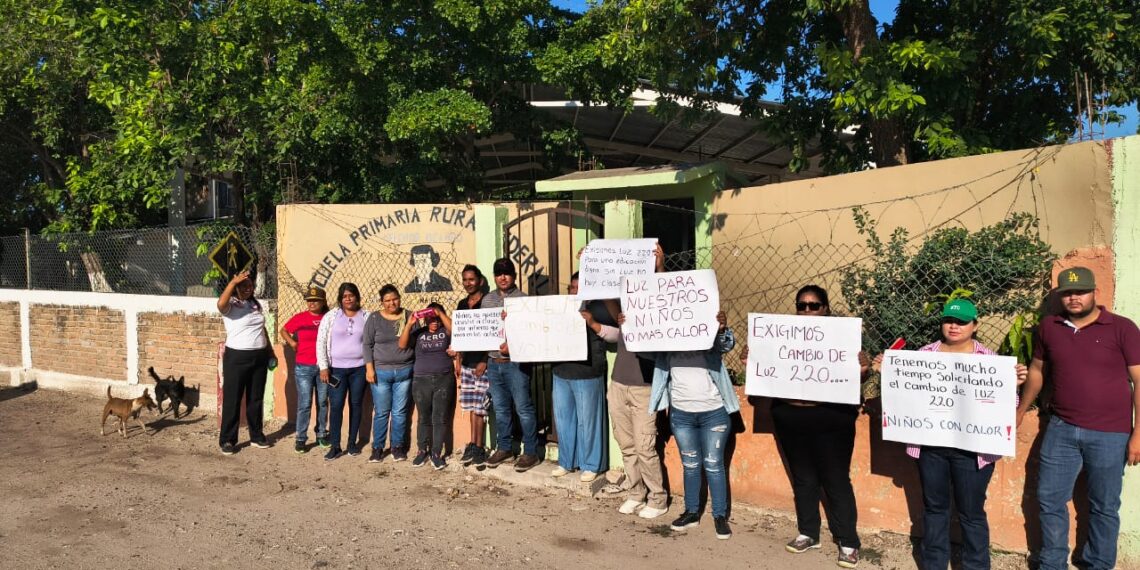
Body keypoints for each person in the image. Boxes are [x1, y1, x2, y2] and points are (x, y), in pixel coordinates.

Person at [873, 298, 1027, 570]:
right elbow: (906, 398)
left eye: (961, 321)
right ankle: (934, 564)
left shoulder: (992, 362)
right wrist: (888, 372)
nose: (954, 326)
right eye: (949, 320)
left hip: (974, 452)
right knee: (934, 509)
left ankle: (976, 566)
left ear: (975, 325)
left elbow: (1005, 409)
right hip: (932, 449)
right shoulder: (924, 356)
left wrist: (1011, 386)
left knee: (972, 513)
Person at [1017, 267, 1140, 570]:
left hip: (1111, 434)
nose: (1073, 297)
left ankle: (1098, 564)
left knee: (1104, 506)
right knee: (1049, 499)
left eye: (1080, 291)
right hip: (1061, 429)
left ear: (1094, 293)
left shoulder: (1122, 328)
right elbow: (1037, 370)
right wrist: (1019, 410)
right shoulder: (1049, 326)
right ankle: (1052, 563)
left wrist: (1138, 434)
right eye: (1067, 292)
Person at [763, 285, 863, 568]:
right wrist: (754, 360)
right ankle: (808, 532)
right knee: (804, 479)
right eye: (802, 305)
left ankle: (848, 541)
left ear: (826, 308)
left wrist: (862, 368)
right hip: (790, 418)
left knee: (836, 480)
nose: (807, 310)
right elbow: (767, 371)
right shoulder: (780, 337)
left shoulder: (842, 337)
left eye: (814, 305)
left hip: (831, 419)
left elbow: (855, 374)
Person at [630, 308, 738, 540]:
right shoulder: (667, 344)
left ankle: (719, 516)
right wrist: (629, 326)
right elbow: (641, 348)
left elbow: (727, 345)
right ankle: (691, 512)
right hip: (681, 416)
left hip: (714, 414)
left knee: (713, 465)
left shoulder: (707, 337)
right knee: (690, 465)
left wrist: (721, 329)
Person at [607, 247, 669, 519]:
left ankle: (658, 497)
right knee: (626, 443)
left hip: (645, 386)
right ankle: (635, 493)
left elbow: (667, 295)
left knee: (645, 446)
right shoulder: (624, 310)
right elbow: (608, 296)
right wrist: (592, 266)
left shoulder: (661, 310)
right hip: (618, 384)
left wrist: (660, 268)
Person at [550, 272, 617, 483]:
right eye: (572, 287)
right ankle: (566, 461)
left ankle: (591, 465)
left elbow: (618, 334)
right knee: (564, 420)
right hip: (561, 371)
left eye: (580, 287)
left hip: (588, 372)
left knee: (589, 422)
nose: (575, 291)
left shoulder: (600, 307)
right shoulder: (558, 308)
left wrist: (594, 323)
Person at [482, 257, 541, 472]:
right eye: (499, 273)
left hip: (516, 364)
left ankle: (531, 452)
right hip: (493, 362)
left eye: (507, 273)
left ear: (514, 275)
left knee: (523, 408)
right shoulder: (487, 300)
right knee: (501, 409)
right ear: (494, 276)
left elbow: (531, 332)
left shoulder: (523, 299)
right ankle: (505, 447)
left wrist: (514, 342)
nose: (503, 277)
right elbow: (482, 331)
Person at [217, 270, 273, 455]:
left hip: (259, 356)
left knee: (255, 398)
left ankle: (256, 436)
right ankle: (228, 440)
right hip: (237, 357)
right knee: (233, 399)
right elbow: (220, 304)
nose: (248, 289)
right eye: (244, 286)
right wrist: (233, 282)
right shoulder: (231, 305)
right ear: (236, 288)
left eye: (250, 286)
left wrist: (270, 351)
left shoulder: (254, 305)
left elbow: (262, 329)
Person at [316, 282, 371, 461]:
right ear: (340, 299)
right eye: (344, 296)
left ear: (357, 297)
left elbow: (372, 342)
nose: (348, 299)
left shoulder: (367, 316)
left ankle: (352, 443)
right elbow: (321, 341)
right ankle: (335, 445)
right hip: (336, 370)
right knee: (337, 406)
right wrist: (323, 366)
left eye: (351, 295)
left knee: (356, 405)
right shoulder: (331, 316)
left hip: (359, 369)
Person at [362, 284, 415, 463]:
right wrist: (369, 368)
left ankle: (397, 447)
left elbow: (415, 341)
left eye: (395, 299)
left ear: (399, 298)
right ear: (382, 302)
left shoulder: (409, 315)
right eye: (387, 300)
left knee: (400, 412)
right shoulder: (374, 318)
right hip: (381, 372)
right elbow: (367, 344)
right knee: (382, 412)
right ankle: (377, 447)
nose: (392, 303)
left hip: (404, 371)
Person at [399, 302, 455, 470]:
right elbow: (401, 345)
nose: (434, 322)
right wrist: (409, 324)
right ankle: (422, 450)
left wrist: (440, 312)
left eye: (437, 318)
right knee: (424, 417)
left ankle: (436, 453)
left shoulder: (446, 332)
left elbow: (455, 330)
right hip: (421, 380)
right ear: (425, 319)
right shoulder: (419, 333)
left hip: (444, 379)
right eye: (431, 318)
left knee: (439, 417)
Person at [280, 286, 331, 453]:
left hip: (323, 367)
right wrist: (292, 343)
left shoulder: (328, 318)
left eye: (315, 300)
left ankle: (322, 434)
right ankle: (301, 438)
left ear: (323, 302)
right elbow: (284, 330)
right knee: (305, 404)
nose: (312, 303)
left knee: (322, 402)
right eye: (309, 300)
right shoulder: (301, 318)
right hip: (304, 366)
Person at [453, 264, 491, 467]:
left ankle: (479, 446)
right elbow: (460, 334)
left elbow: (492, 332)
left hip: (481, 364)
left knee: (480, 408)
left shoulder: (487, 303)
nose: (468, 283)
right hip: (466, 363)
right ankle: (472, 445)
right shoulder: (461, 304)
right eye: (465, 280)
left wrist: (484, 360)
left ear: (480, 281)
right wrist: (458, 360)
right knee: (470, 406)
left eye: (471, 279)